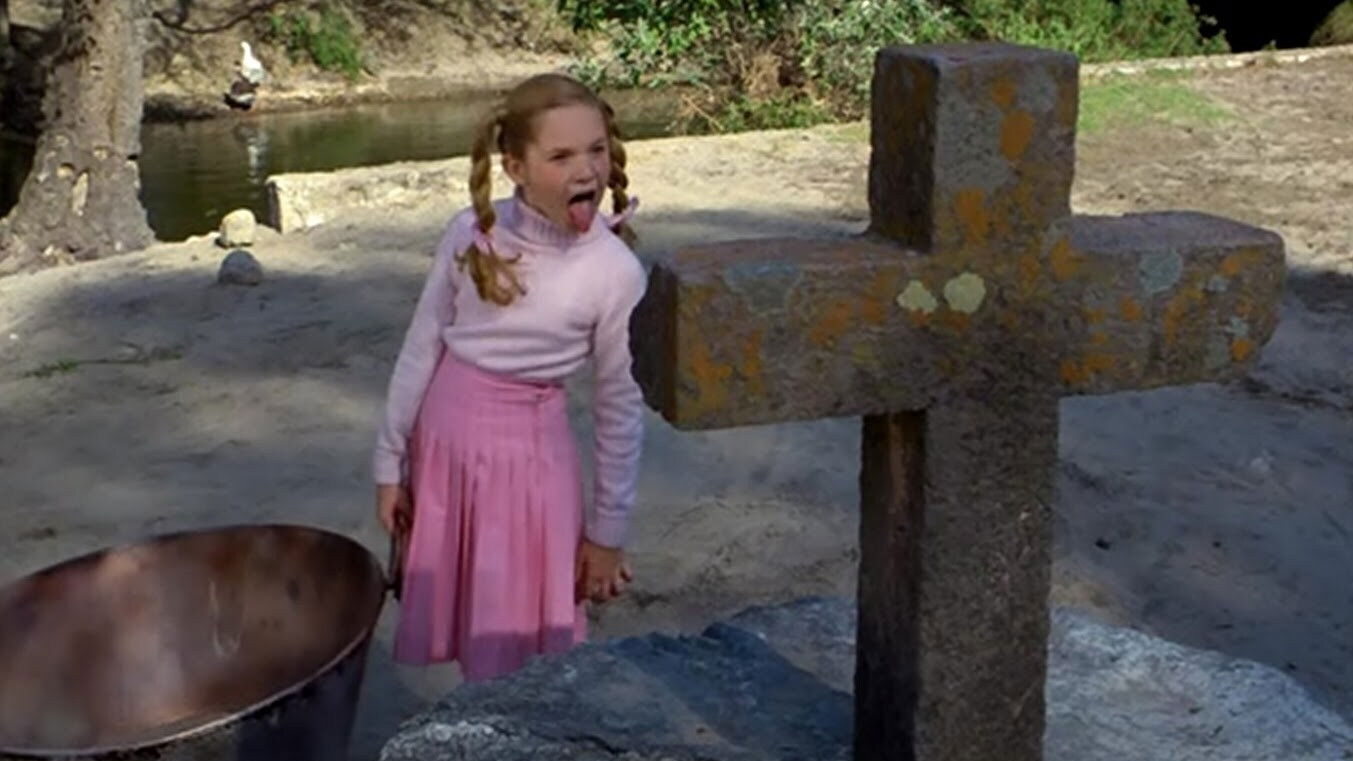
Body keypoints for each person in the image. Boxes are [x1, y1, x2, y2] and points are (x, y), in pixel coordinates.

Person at [371, 72, 647, 682]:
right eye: (561, 156)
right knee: (469, 609)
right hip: (445, 448)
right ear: (515, 168)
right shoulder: (470, 234)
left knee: (524, 630)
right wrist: (390, 465)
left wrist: (607, 534)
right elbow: (421, 346)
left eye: (596, 150)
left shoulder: (615, 273)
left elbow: (620, 409)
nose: (587, 170)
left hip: (532, 467)